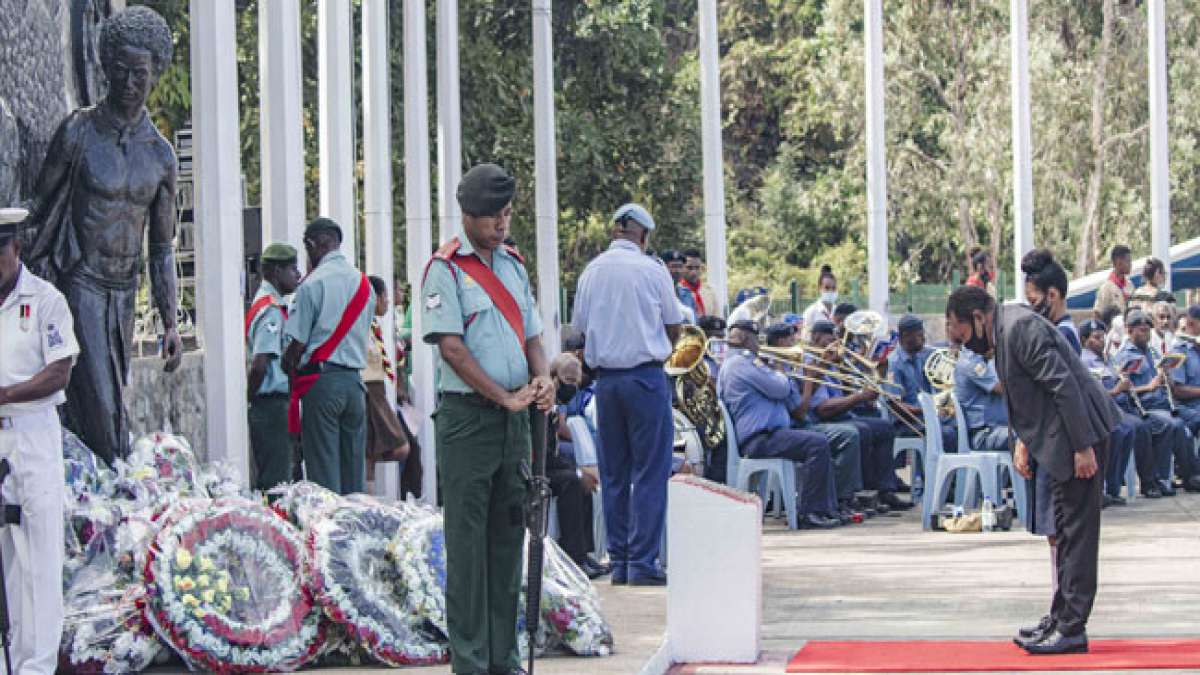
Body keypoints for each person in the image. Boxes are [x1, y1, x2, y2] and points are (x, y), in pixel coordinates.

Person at [20, 6, 182, 466]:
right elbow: (38, 207)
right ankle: (116, 485)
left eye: (139, 74)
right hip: (80, 282)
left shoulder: (161, 157)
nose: (129, 83)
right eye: (119, 71)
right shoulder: (79, 132)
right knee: (106, 413)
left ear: (153, 74)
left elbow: (162, 248)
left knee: (102, 401)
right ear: (106, 68)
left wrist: (169, 321)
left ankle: (90, 497)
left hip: (123, 292)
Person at [422, 163, 553, 674]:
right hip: (469, 421)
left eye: (507, 214)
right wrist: (504, 396)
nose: (502, 225)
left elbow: (533, 336)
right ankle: (472, 662)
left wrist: (541, 379)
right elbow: (452, 350)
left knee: (507, 541)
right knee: (468, 548)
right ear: (467, 216)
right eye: (492, 217)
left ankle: (506, 658)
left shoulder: (514, 265)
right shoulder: (446, 270)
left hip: (515, 423)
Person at [945, 285, 1120, 655]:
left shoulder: (1019, 328)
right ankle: (1060, 617)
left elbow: (1064, 386)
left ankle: (1072, 627)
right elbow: (1028, 392)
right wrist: (1024, 441)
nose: (965, 346)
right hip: (1060, 440)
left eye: (963, 336)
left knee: (1077, 535)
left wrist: (1082, 447)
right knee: (1063, 529)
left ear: (978, 318)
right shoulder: (1007, 330)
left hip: (1077, 437)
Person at [572, 202, 682, 587]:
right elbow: (674, 325)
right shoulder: (652, 270)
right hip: (645, 378)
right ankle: (643, 562)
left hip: (607, 382)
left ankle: (618, 561)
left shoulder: (591, 272)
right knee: (651, 472)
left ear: (616, 231)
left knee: (614, 473)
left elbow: (579, 330)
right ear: (644, 236)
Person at [0, 215, 80, 675]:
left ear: (16, 250)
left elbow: (59, 370)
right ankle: (11, 656)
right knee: (8, 554)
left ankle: (38, 664)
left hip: (32, 431)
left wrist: (7, 394)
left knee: (40, 554)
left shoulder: (46, 300)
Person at [282, 218, 375, 496]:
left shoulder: (312, 285)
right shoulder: (364, 284)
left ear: (313, 245)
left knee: (324, 477)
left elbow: (297, 344)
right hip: (355, 385)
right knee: (353, 477)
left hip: (322, 385)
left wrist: (287, 367)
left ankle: (329, 535)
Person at [717, 323, 842, 529]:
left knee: (817, 441)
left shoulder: (745, 363)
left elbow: (789, 399)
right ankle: (810, 512)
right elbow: (780, 388)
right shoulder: (741, 364)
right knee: (817, 444)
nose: (760, 344)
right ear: (745, 340)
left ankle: (826, 509)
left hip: (770, 435)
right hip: (760, 438)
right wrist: (779, 370)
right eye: (756, 339)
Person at [761, 321, 866, 517]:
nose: (796, 343)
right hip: (794, 426)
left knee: (852, 432)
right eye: (791, 340)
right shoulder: (775, 371)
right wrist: (810, 377)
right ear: (780, 342)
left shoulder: (789, 367)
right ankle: (836, 501)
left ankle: (838, 499)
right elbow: (801, 411)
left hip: (801, 424)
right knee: (847, 436)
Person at [805, 319, 911, 511]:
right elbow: (823, 409)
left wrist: (842, 370)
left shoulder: (830, 362)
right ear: (815, 338)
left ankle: (884, 490)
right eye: (827, 342)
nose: (832, 347)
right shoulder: (810, 363)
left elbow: (844, 396)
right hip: (821, 419)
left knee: (884, 427)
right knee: (860, 431)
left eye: (835, 341)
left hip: (840, 416)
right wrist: (859, 397)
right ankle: (855, 494)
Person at [1114, 309, 1200, 494]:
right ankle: (1162, 479)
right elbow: (1122, 391)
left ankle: (1187, 476)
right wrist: (1148, 387)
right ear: (1129, 330)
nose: (1146, 334)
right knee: (1172, 425)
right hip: (1143, 407)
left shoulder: (1152, 352)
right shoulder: (1124, 356)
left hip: (1163, 405)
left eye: (1147, 330)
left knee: (1184, 427)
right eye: (1141, 330)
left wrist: (1166, 378)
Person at [245, 243, 301, 491]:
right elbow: (260, 364)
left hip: (275, 402)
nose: (297, 275)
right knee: (276, 480)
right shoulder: (270, 310)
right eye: (292, 269)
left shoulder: (272, 305)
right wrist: (251, 397)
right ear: (276, 272)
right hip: (270, 404)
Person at [547, 354, 607, 578]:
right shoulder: (542, 406)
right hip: (533, 468)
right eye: (567, 380)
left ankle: (584, 553)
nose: (571, 387)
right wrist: (578, 473)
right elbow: (542, 455)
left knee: (583, 482)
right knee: (572, 481)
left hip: (548, 464)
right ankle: (573, 555)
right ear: (553, 377)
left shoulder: (556, 405)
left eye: (575, 382)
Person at [1080, 320, 1153, 503]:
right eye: (1096, 338)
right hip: (1097, 411)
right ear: (1084, 340)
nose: (1101, 341)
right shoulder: (1084, 361)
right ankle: (1103, 488)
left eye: (1103, 337)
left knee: (1133, 428)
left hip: (1116, 408)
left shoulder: (1108, 359)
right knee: (1119, 430)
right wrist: (1117, 390)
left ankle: (1114, 488)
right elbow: (1091, 392)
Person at [887, 315, 958, 479]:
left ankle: (949, 480)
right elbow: (894, 405)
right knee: (946, 433)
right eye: (919, 334)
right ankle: (932, 481)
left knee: (959, 425)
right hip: (905, 422)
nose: (924, 338)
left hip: (925, 415)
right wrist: (926, 411)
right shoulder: (894, 363)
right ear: (906, 336)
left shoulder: (922, 355)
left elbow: (939, 387)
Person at [363, 276, 410, 486]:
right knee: (395, 447)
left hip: (378, 390)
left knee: (376, 451)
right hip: (368, 390)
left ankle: (367, 484)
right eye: (385, 296)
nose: (388, 302)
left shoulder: (375, 325)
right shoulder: (361, 324)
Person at [1022, 249, 1080, 354]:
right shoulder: (1054, 332)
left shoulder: (1061, 337)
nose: (1031, 310)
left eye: (1033, 302)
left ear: (1052, 295)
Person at [954, 344, 1010, 453]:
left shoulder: (983, 358)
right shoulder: (972, 363)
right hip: (984, 434)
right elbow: (1001, 388)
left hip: (997, 428)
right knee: (1029, 437)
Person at [1093, 245, 1133, 321]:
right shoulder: (1106, 288)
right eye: (1128, 261)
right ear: (1119, 262)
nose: (1131, 264)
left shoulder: (1130, 285)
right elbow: (1098, 314)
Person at [801, 265, 838, 341]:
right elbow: (805, 339)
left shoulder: (838, 311)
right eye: (827, 288)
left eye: (834, 288)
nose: (831, 291)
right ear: (819, 288)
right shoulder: (811, 312)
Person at [680, 248, 718, 318]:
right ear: (682, 267)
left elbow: (716, 318)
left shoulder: (710, 291)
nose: (694, 272)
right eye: (689, 268)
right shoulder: (677, 291)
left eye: (697, 267)